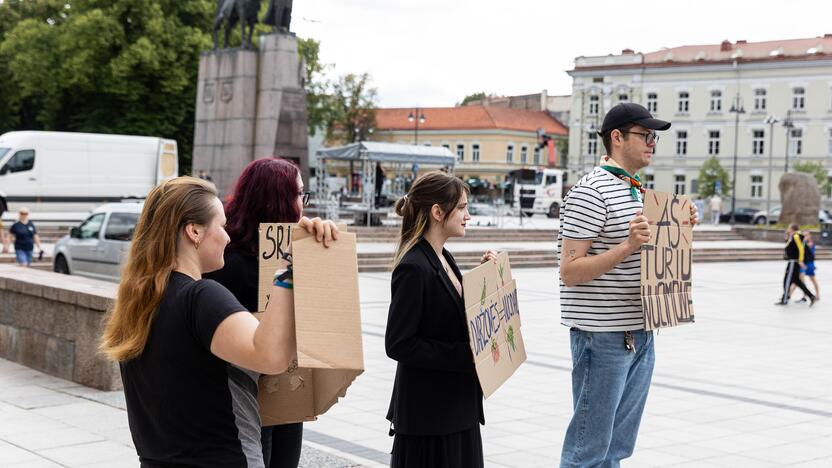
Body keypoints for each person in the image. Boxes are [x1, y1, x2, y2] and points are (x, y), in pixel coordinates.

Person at [99, 176, 335, 467]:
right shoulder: (201, 296)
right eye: (221, 226)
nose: (227, 237)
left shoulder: (138, 302)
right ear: (194, 231)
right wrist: (289, 271)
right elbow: (271, 355)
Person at [558, 103, 697, 467]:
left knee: (617, 448)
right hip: (602, 336)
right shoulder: (591, 191)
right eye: (645, 135)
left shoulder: (636, 191)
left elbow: (644, 259)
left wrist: (678, 228)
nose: (653, 143)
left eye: (655, 137)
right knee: (587, 449)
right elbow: (570, 271)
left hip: (640, 331)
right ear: (616, 138)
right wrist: (628, 245)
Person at [206, 157, 335, 468]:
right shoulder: (226, 264)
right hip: (243, 398)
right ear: (277, 200)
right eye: (298, 195)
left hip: (286, 392)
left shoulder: (290, 253)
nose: (303, 204)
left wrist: (322, 241)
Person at [385, 171, 496, 468]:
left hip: (456, 408)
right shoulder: (413, 267)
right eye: (461, 208)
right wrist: (465, 355)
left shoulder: (443, 257)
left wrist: (484, 280)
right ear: (437, 212)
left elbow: (445, 310)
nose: (468, 215)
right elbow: (399, 344)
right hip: (430, 418)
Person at [776, 224, 816, 306]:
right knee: (797, 281)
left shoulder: (796, 236)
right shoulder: (793, 236)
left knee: (787, 281)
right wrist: (787, 237)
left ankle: (785, 299)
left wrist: (800, 261)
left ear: (792, 229)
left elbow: (801, 249)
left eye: (789, 228)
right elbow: (790, 246)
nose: (788, 229)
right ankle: (811, 296)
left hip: (793, 262)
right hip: (792, 261)